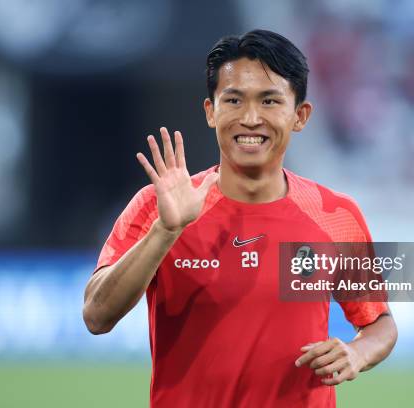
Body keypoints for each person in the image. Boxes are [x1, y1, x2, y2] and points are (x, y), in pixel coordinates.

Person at [83, 29, 397, 407]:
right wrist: (166, 231)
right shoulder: (158, 206)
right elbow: (97, 316)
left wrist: (357, 353)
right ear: (211, 111)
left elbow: (379, 323)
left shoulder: (335, 214)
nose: (250, 118)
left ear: (300, 115)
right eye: (233, 100)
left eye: (269, 101)